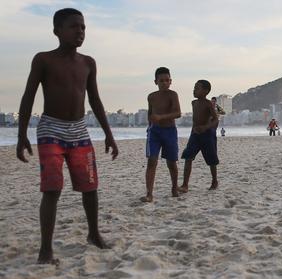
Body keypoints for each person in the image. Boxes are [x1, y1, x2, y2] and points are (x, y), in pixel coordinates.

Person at [15, 8, 119, 265]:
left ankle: (94, 234)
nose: (80, 32)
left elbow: (94, 99)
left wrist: (109, 134)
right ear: (57, 31)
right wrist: (21, 135)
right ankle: (45, 250)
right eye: (74, 26)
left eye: (83, 27)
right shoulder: (43, 60)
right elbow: (28, 96)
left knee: (90, 186)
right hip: (51, 129)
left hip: (79, 129)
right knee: (52, 189)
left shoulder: (88, 63)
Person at [141, 67, 181, 203]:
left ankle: (174, 188)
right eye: (161, 80)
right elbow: (150, 113)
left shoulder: (172, 95)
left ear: (171, 81)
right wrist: (149, 125)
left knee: (171, 162)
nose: (164, 83)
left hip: (169, 131)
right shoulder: (151, 96)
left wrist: (161, 117)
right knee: (151, 161)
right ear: (155, 82)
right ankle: (149, 193)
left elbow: (178, 113)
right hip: (154, 132)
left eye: (167, 80)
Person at [179, 80, 220, 192]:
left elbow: (216, 120)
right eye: (194, 88)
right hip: (195, 134)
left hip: (207, 135)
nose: (194, 90)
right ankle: (185, 185)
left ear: (206, 91)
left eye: (197, 88)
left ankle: (214, 181)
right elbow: (195, 119)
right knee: (188, 157)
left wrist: (206, 127)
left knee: (211, 159)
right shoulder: (194, 103)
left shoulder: (208, 104)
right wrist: (194, 130)